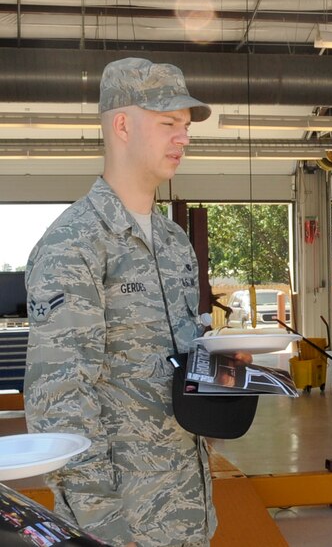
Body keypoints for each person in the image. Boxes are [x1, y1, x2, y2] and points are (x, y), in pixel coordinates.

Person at [24, 57, 217, 547]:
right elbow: (59, 397)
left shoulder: (174, 242)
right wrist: (100, 522)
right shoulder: (75, 244)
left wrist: (228, 375)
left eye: (186, 126)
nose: (184, 137)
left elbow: (177, 364)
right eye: (169, 123)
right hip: (124, 520)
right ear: (123, 125)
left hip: (187, 507)